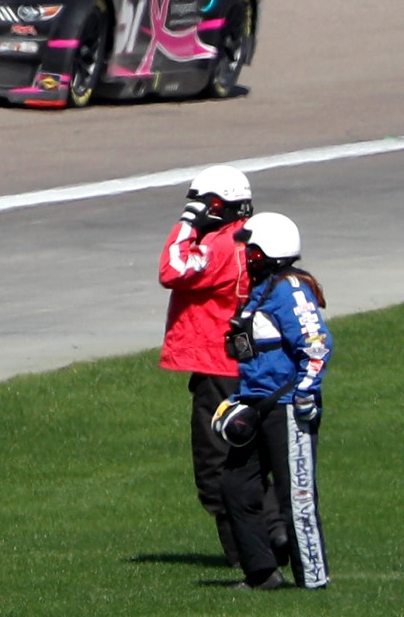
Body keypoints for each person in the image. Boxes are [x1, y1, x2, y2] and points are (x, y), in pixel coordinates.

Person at [157, 164, 281, 568]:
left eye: (201, 204)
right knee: (250, 460)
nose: (195, 210)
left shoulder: (222, 246)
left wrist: (187, 223)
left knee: (217, 470)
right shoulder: (256, 240)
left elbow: (172, 269)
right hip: (255, 366)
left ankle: (251, 557)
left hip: (220, 369)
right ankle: (276, 535)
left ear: (216, 205)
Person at [214, 212, 330, 590]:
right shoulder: (261, 289)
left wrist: (306, 392)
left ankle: (312, 580)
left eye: (251, 250)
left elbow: (316, 345)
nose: (246, 257)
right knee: (236, 485)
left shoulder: (289, 289)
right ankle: (262, 574)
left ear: (269, 251)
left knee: (295, 495)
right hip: (255, 405)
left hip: (288, 408)